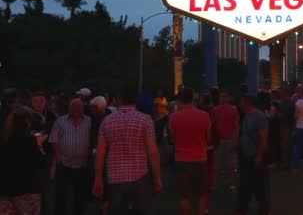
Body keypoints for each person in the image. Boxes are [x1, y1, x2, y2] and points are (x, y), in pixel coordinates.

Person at [93, 85, 162, 215]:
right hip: (140, 177)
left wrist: (98, 178)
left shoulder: (107, 121)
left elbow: (100, 153)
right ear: (135, 99)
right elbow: (152, 152)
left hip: (115, 178)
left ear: (119, 99)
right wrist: (157, 178)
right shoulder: (145, 120)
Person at [169, 87, 211, 215]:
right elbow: (208, 138)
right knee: (201, 193)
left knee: (184, 195)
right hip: (199, 158)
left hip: (181, 159)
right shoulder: (204, 116)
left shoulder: (174, 117)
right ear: (193, 99)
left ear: (180, 100)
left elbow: (172, 139)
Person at [0, 108, 48, 215]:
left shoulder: (5, 142)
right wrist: (39, 145)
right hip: (27, 190)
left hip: (6, 191)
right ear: (27, 122)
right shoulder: (31, 142)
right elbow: (41, 163)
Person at [49, 99, 92, 215]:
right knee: (61, 194)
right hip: (64, 164)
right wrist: (58, 157)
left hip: (82, 164)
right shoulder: (60, 121)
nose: (77, 109)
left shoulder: (89, 121)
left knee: (80, 195)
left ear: (83, 109)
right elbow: (54, 140)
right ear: (69, 108)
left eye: (79, 107)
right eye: (74, 107)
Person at [235, 95, 269, 215]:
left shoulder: (259, 117)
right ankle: (242, 208)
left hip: (254, 155)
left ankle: (263, 209)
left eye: (241, 102)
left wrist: (259, 155)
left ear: (247, 103)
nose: (239, 105)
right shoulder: (247, 116)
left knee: (258, 184)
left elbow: (263, 138)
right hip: (245, 154)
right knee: (244, 183)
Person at [212, 90, 240, 190]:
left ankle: (231, 183)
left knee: (230, 163)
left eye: (224, 97)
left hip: (229, 139)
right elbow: (213, 126)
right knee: (217, 163)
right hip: (219, 139)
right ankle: (215, 183)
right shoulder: (215, 110)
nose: (222, 99)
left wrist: (235, 139)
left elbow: (236, 126)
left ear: (228, 98)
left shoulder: (233, 109)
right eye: (221, 97)